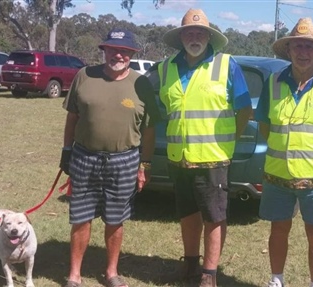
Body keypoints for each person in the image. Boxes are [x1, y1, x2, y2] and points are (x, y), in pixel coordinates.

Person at [156, 8, 252, 287]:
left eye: (200, 32)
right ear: (181, 37)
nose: (194, 36)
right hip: (179, 158)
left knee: (214, 217)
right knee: (187, 214)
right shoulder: (167, 68)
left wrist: (230, 141)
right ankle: (189, 266)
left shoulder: (226, 65)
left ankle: (209, 275)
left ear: (209, 37)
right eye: (189, 32)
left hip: (214, 159)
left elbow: (244, 110)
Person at [59, 28, 161, 287]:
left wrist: (144, 165)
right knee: (81, 217)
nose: (118, 55)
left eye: (125, 51)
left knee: (115, 220)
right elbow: (72, 117)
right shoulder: (85, 75)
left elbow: (149, 130)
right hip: (84, 157)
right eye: (113, 49)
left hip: (124, 161)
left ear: (132, 54)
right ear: (104, 50)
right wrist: (66, 151)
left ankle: (112, 273)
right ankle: (74, 275)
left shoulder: (141, 84)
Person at [255, 18, 313, 287]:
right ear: (289, 50)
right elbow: (265, 125)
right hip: (277, 175)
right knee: (278, 228)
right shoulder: (273, 83)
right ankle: (276, 280)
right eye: (298, 46)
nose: (303, 52)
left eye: (309, 46)